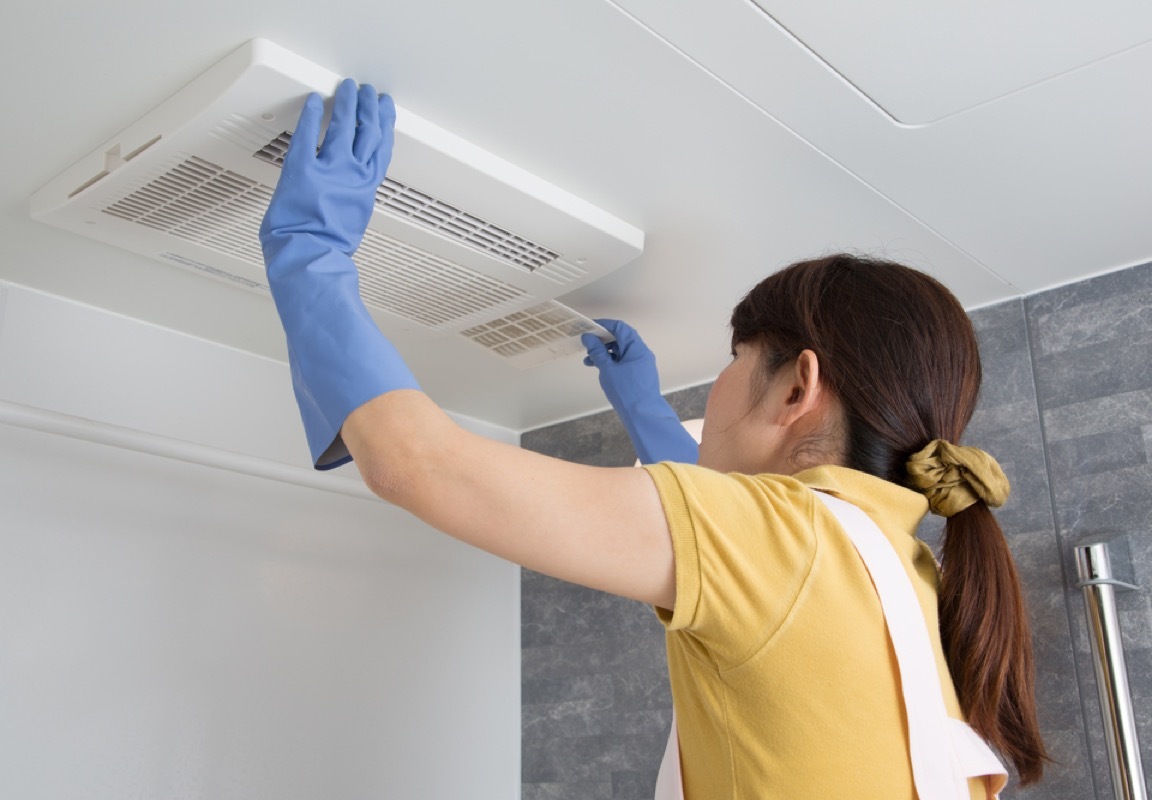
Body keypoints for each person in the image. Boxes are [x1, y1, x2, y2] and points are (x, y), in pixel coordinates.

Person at [261, 79, 1049, 799]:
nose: (719, 383)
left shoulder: (788, 541)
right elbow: (735, 544)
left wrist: (310, 254)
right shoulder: (899, 569)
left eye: (733, 361)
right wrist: (643, 411)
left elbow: (418, 463)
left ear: (797, 387)